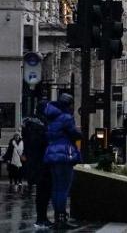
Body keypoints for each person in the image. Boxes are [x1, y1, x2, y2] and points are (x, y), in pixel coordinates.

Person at [43, 93, 81, 230]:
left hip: (52, 153)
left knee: (56, 188)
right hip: (64, 154)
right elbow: (73, 133)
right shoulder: (66, 117)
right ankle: (62, 219)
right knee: (64, 188)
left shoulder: (51, 117)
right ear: (69, 104)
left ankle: (57, 218)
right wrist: (79, 134)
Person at [22, 112, 53, 229]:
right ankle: (41, 219)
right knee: (43, 193)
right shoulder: (39, 129)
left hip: (35, 165)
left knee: (41, 193)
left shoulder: (30, 127)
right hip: (42, 165)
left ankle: (41, 218)